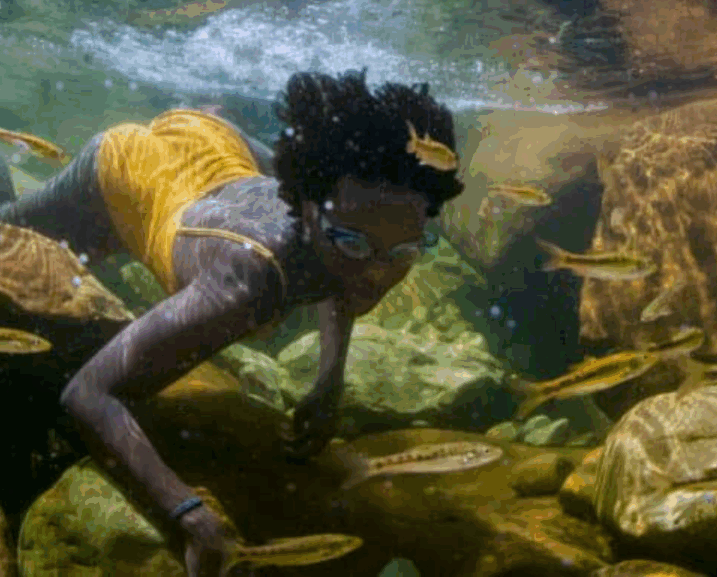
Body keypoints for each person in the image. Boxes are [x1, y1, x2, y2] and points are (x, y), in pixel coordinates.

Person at [0, 69, 463, 577]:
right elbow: (87, 394)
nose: (377, 273)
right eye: (351, 243)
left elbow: (345, 280)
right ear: (306, 210)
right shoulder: (248, 282)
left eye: (406, 250)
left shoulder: (343, 221)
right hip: (128, 164)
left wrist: (329, 378)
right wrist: (187, 517)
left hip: (216, 140)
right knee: (8, 225)